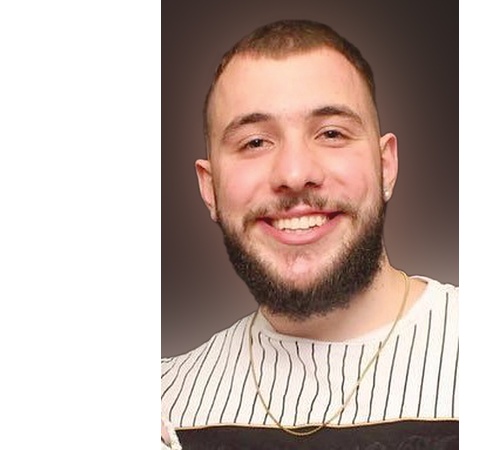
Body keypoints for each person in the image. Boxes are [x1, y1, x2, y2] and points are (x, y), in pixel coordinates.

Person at [161, 19, 458, 449]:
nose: (295, 173)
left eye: (331, 133)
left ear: (386, 166)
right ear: (210, 188)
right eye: (255, 142)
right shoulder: (164, 406)